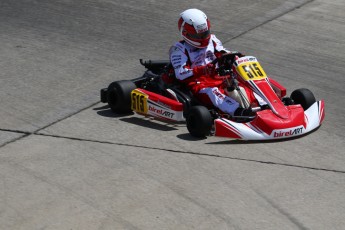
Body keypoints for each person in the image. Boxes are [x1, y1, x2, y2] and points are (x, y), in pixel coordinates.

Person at [169, 8, 253, 116]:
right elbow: (180, 73)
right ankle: (239, 112)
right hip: (199, 85)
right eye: (198, 36)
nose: (203, 38)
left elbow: (222, 52)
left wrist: (235, 57)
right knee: (213, 92)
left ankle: (264, 104)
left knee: (243, 82)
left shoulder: (212, 40)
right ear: (185, 33)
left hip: (218, 77)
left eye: (205, 33)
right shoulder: (179, 49)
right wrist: (202, 70)